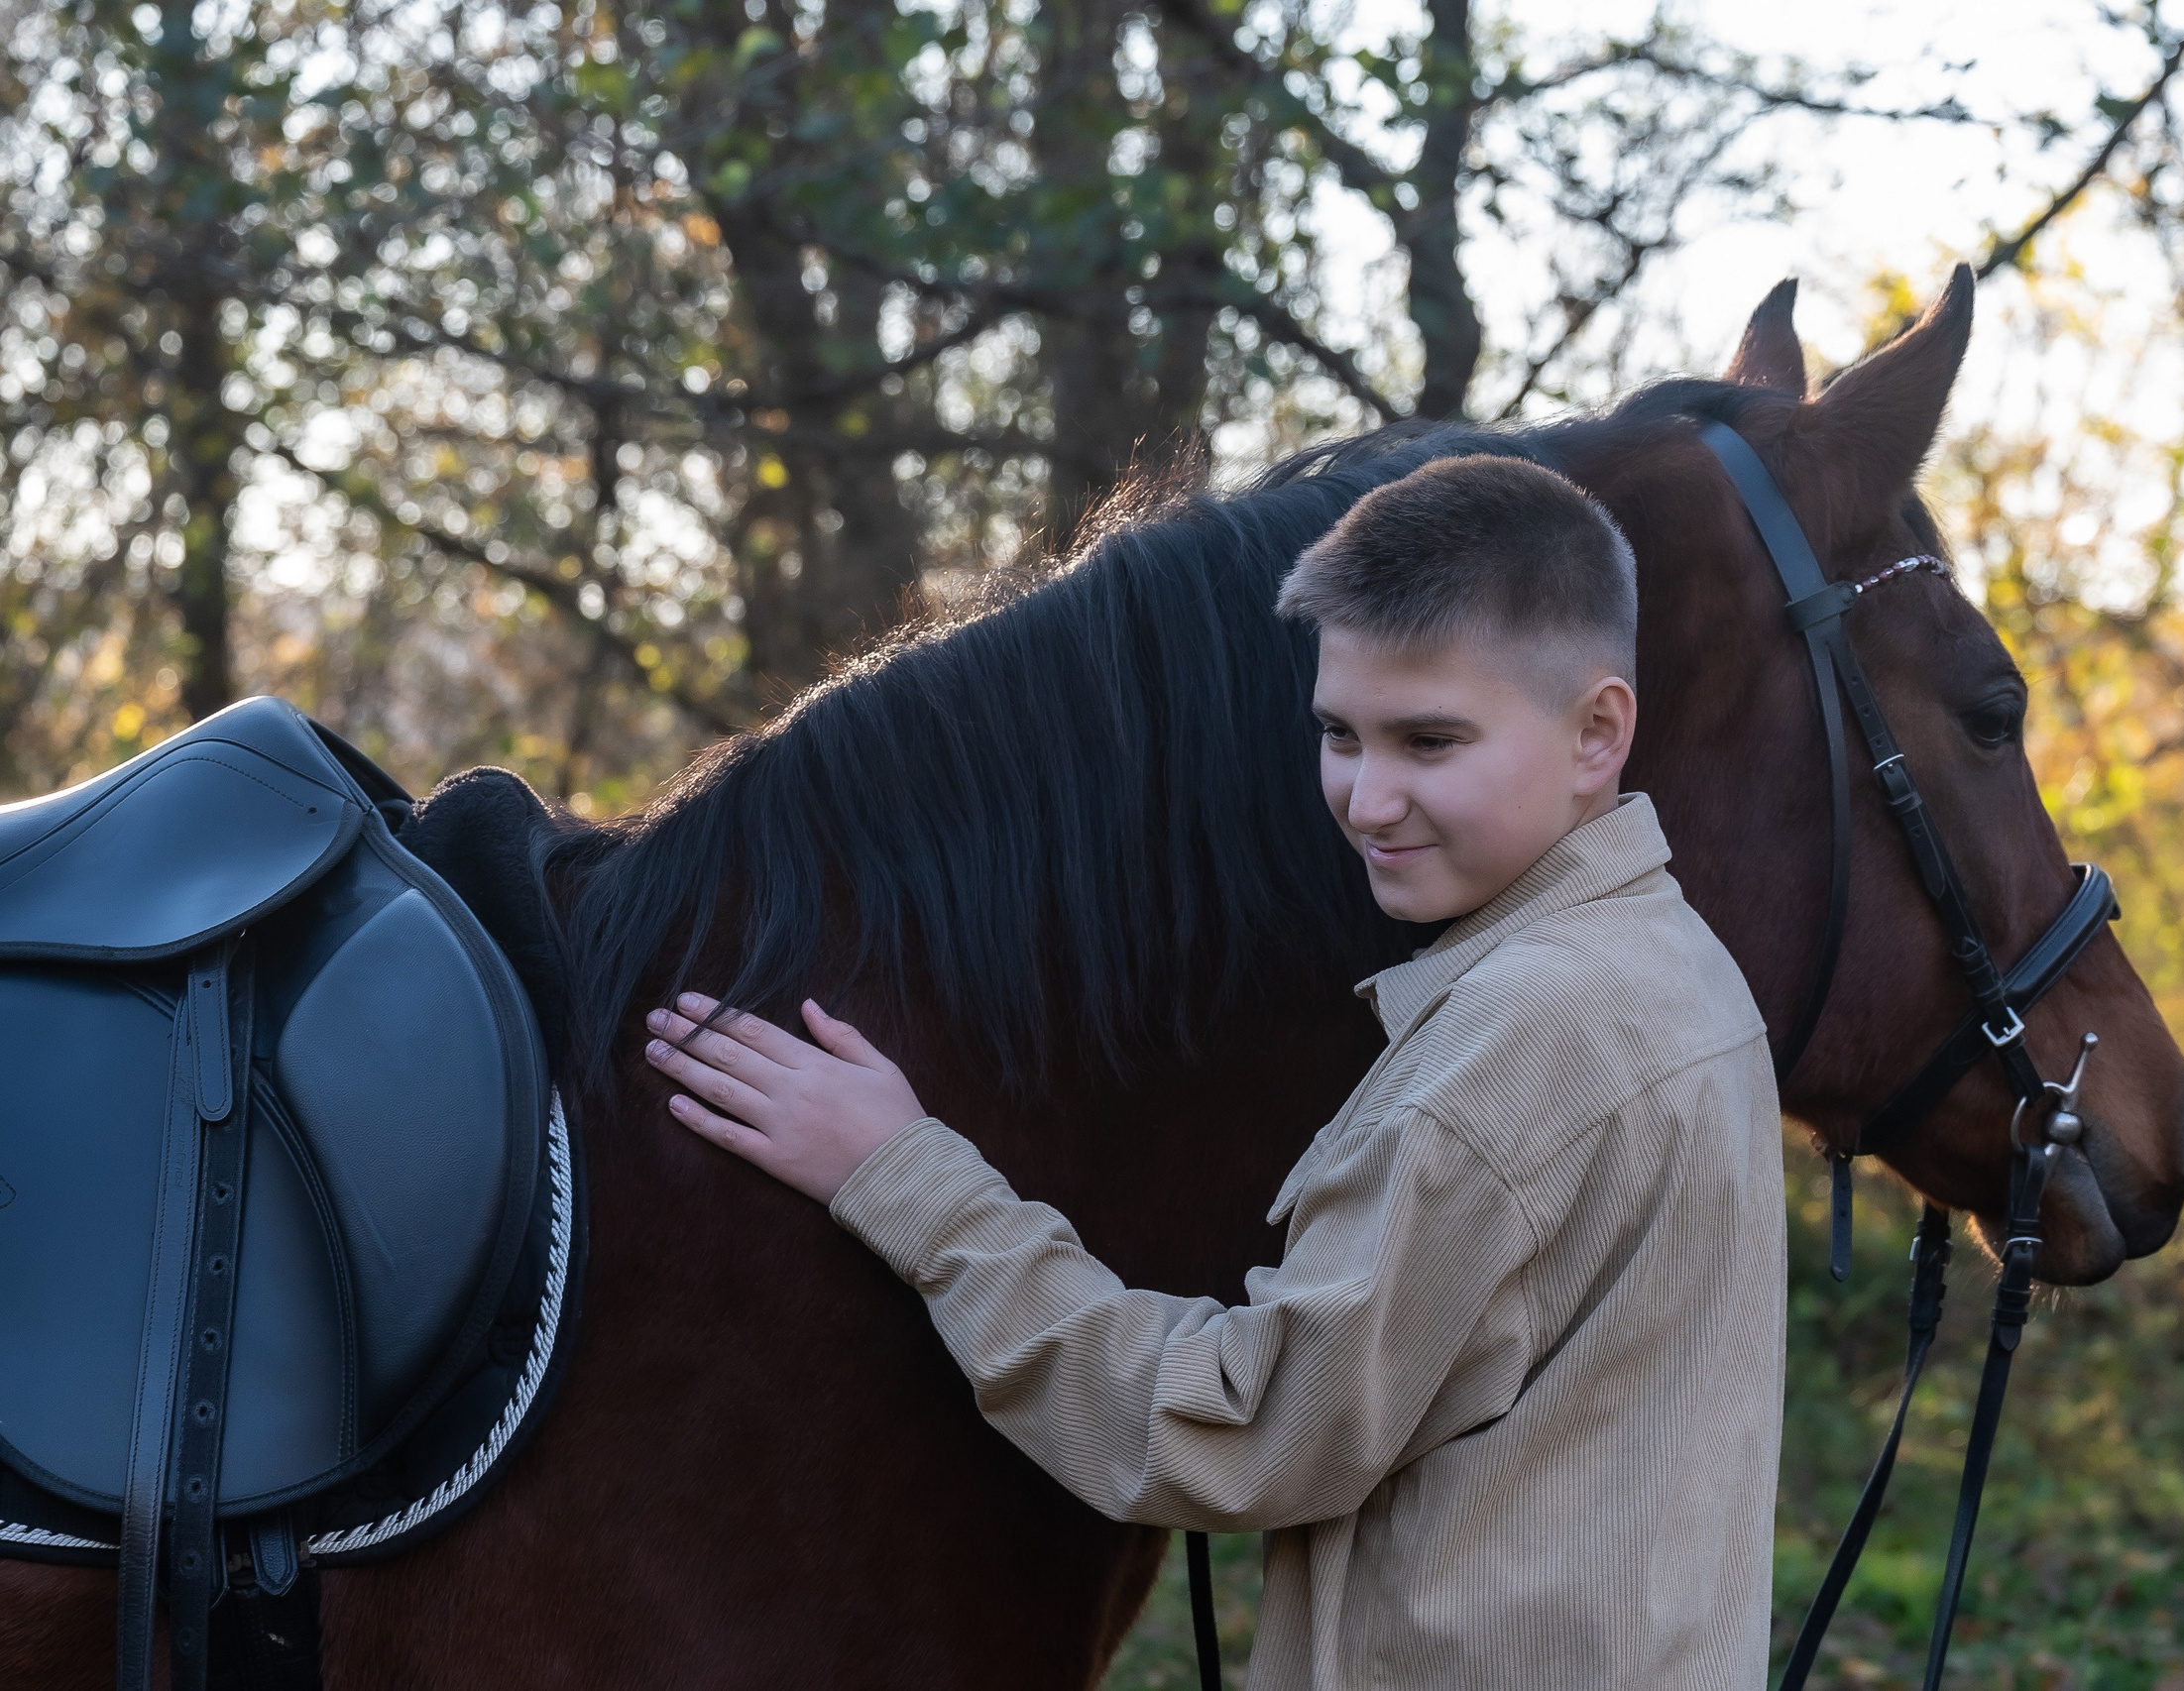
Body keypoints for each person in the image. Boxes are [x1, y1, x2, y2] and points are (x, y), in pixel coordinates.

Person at [640, 454, 1787, 1688]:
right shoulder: (1677, 966)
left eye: (1430, 740)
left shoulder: (1519, 1040)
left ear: (1597, 730)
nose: (1367, 798)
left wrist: (900, 1175)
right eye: (1339, 733)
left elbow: (1245, 1434)